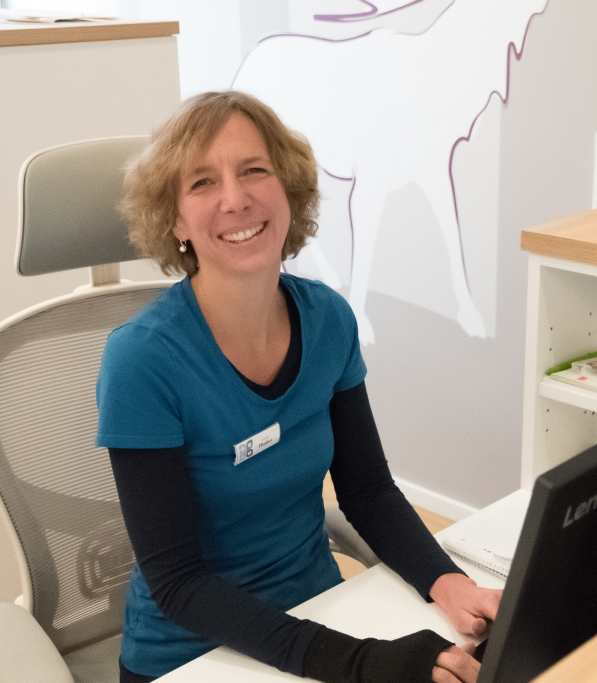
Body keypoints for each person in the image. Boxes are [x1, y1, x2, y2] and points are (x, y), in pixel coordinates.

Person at [96, 91, 501, 683]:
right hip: (192, 657)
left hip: (321, 613)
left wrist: (449, 583)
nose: (235, 198)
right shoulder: (143, 360)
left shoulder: (327, 318)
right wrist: (359, 662)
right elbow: (179, 584)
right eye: (203, 182)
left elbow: (367, 490)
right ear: (175, 220)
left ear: (288, 191)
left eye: (254, 170)